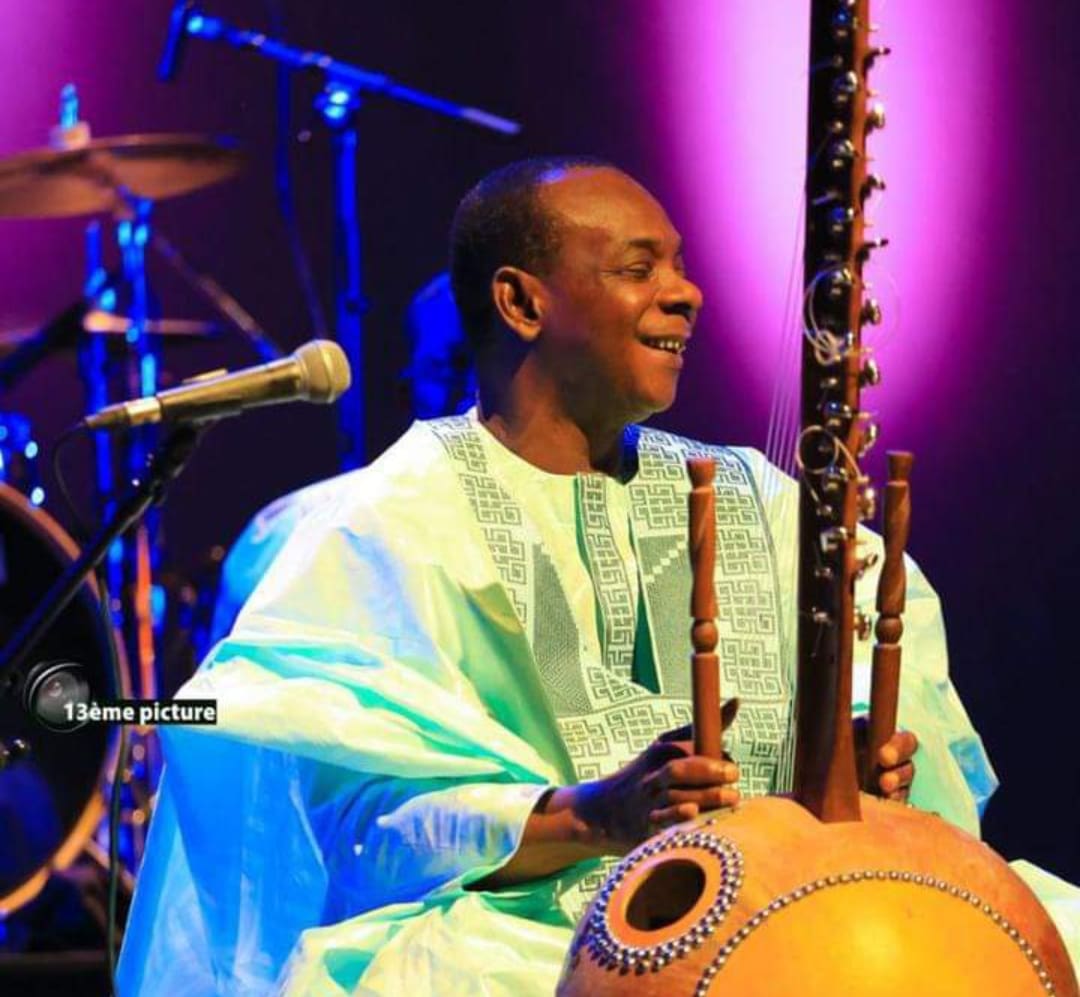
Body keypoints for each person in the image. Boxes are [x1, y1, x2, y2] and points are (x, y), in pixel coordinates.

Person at [117, 158, 1071, 996]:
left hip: (794, 896)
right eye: (638, 268)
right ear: (522, 303)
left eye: (679, 265)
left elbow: (885, 687)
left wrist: (855, 764)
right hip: (532, 931)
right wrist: (591, 815)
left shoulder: (754, 493)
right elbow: (355, 824)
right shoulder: (389, 525)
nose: (686, 293)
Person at [207, 272, 476, 648]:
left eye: (493, 371)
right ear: (406, 390)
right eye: (451, 367)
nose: (474, 394)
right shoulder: (295, 529)